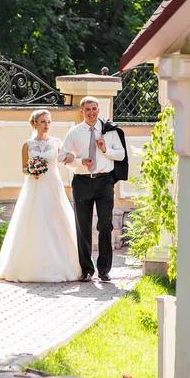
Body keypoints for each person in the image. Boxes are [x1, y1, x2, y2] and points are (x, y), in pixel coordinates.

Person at [0, 109, 81, 282]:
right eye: (43, 122)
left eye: (49, 122)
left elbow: (67, 157)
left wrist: (73, 155)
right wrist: (31, 171)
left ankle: (64, 263)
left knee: (55, 220)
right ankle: (28, 265)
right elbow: (24, 168)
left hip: (53, 186)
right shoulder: (27, 145)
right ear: (35, 123)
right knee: (34, 220)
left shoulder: (57, 142)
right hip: (34, 187)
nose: (47, 125)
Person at [58, 96, 125, 282]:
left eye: (94, 108)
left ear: (99, 110)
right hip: (82, 182)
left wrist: (105, 150)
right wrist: (80, 161)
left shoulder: (109, 132)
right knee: (83, 227)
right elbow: (61, 157)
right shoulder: (74, 132)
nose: (92, 112)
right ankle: (87, 269)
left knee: (105, 225)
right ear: (82, 112)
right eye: (87, 109)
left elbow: (121, 155)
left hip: (104, 182)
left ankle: (104, 269)